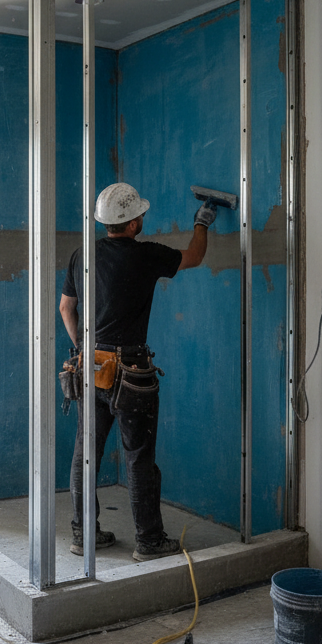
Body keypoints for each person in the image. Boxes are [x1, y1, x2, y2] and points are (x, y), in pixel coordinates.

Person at [59, 181, 217, 560]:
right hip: (131, 371)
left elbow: (66, 308)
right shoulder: (147, 255)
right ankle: (148, 541)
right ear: (131, 224)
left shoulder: (82, 254)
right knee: (139, 458)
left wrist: (84, 347)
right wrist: (203, 223)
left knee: (86, 454)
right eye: (140, 215)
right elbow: (194, 256)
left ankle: (84, 535)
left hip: (91, 367)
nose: (143, 218)